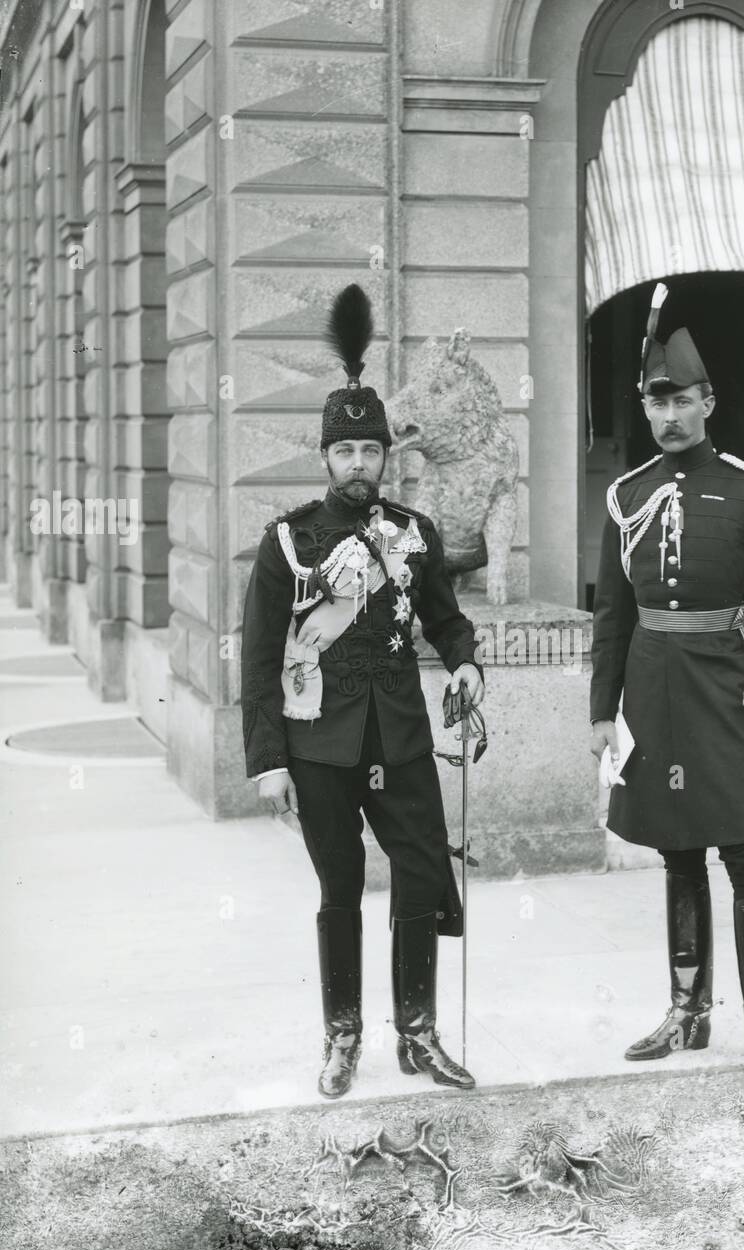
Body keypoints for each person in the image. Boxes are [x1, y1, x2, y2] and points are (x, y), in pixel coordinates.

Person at [240, 284, 482, 1098]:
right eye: (344, 453)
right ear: (325, 458)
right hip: (321, 744)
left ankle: (417, 1033)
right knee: (339, 883)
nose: (358, 466)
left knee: (419, 875)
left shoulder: (415, 535)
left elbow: (446, 621)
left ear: (386, 458)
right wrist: (268, 759)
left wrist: (467, 661)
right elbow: (258, 655)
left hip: (401, 739)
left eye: (370, 453)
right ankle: (342, 1037)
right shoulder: (287, 542)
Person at [590, 290, 744, 1083]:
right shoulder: (625, 497)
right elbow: (613, 618)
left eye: (682, 399)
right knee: (676, 853)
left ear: (707, 402)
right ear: (645, 407)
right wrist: (601, 715)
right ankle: (686, 1011)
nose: (669, 415)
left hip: (728, 689)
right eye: (656, 401)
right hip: (652, 693)